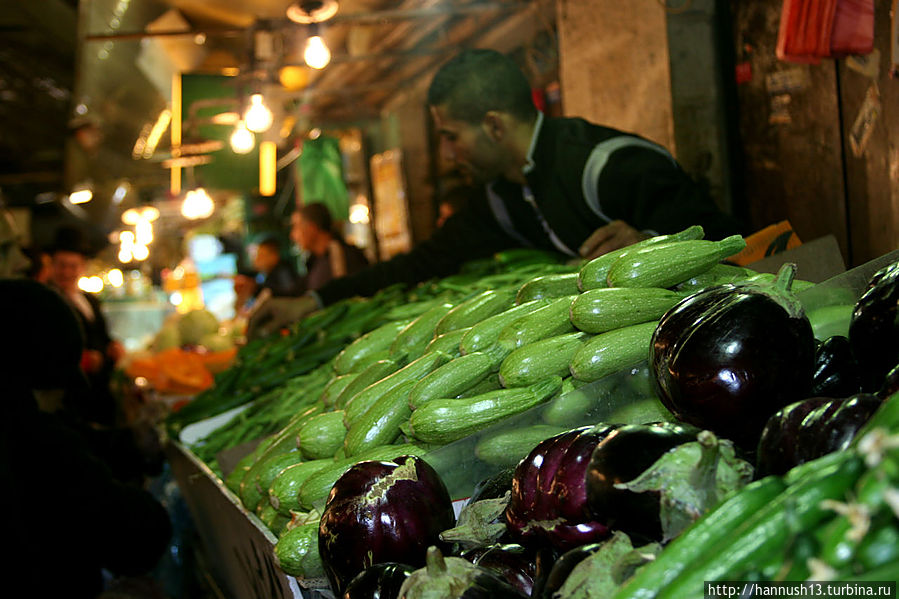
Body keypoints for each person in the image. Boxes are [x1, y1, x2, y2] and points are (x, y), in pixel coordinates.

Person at [247, 48, 744, 339]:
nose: (446, 154)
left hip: (720, 330)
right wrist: (311, 301)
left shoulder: (608, 164)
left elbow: (730, 239)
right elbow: (420, 265)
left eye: (450, 136)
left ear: (493, 126)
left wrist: (654, 241)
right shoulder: (503, 199)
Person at [0, 278, 172, 599]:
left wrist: (130, 444)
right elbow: (135, 537)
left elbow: (79, 444)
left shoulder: (26, 424)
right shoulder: (36, 441)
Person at [47, 225, 125, 428]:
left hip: (100, 389)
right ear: (52, 265)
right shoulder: (47, 301)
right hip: (71, 396)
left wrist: (112, 346)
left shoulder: (90, 300)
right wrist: (81, 361)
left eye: (72, 266)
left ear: (82, 267)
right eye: (61, 265)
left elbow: (102, 334)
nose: (66, 272)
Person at [290, 202, 369, 292]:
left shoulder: (343, 257)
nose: (292, 235)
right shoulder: (315, 262)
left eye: (296, 227)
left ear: (312, 228)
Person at [251, 234, 306, 300]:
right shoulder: (262, 274)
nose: (256, 260)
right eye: (254, 256)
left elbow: (290, 295)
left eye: (261, 256)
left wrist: (255, 289)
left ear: (274, 256)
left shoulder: (283, 271)